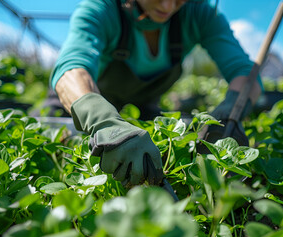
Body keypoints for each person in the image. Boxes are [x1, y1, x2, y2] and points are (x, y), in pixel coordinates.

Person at [50, 0, 262, 187]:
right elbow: (72, 68)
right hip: (81, 100)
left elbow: (245, 72)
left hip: (145, 104)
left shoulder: (199, 13)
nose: (168, 6)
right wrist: (102, 121)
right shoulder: (102, 7)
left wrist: (231, 109)